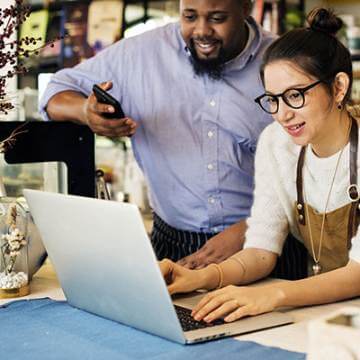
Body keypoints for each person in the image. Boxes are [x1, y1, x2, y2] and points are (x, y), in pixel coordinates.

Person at [40, 0, 280, 269]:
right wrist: (86, 111)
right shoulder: (140, 54)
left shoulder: (283, 61)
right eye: (189, 17)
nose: (201, 31)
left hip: (269, 240)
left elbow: (322, 166)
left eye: (217, 18)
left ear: (245, 8)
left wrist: (250, 229)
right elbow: (56, 91)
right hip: (175, 247)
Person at [160, 7, 360, 323]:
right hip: (330, 314)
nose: (282, 114)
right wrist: (200, 277)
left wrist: (274, 294)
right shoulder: (276, 143)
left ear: (338, 87)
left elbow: (358, 273)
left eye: (296, 95)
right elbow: (261, 252)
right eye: (273, 99)